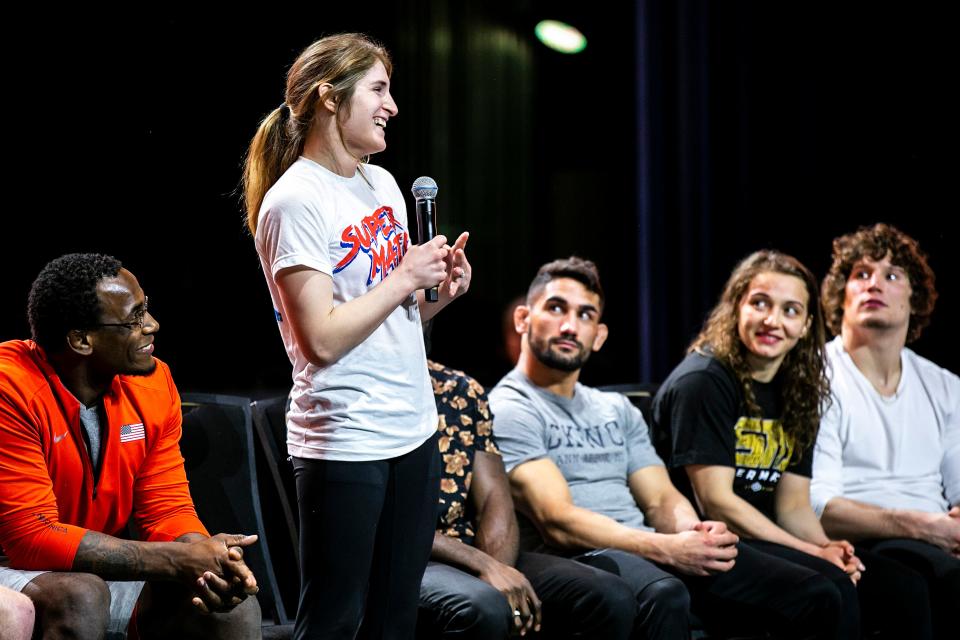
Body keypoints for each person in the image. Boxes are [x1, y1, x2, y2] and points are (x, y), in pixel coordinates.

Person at [243, 33, 471, 639]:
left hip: (412, 427)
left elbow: (393, 321)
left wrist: (436, 296)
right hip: (345, 440)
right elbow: (320, 339)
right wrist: (403, 278)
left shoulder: (383, 185)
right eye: (378, 89)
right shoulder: (294, 201)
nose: (392, 104)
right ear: (328, 98)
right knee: (334, 620)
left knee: (396, 617)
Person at [490, 256, 846, 640]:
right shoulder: (510, 407)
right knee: (666, 594)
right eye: (556, 308)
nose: (568, 326)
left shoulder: (616, 409)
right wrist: (668, 547)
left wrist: (691, 531)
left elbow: (661, 498)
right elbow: (559, 520)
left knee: (818, 591)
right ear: (523, 319)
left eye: (585, 315)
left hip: (650, 544)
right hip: (582, 556)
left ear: (600, 334)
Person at [653, 250, 932, 639]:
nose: (773, 321)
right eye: (760, 303)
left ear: (805, 325)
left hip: (766, 536)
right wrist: (814, 555)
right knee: (825, 591)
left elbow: (794, 504)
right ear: (736, 309)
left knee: (905, 588)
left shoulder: (800, 389)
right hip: (710, 544)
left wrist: (830, 547)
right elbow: (717, 502)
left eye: (790, 310)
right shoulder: (702, 380)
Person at [0, 253, 261, 640]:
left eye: (147, 311)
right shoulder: (11, 386)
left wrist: (205, 557)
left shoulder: (154, 384)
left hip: (93, 569)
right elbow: (30, 538)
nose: (152, 326)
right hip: (12, 567)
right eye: (134, 318)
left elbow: (167, 508)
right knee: (82, 596)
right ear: (81, 339)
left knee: (228, 604)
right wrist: (176, 559)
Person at [811, 223, 960, 639]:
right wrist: (924, 526)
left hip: (935, 536)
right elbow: (819, 505)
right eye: (861, 274)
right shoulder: (815, 378)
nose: (874, 283)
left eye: (892, 275)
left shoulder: (944, 385)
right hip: (855, 540)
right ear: (841, 294)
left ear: (916, 298)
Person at [418, 360, 636, 639]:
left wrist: (500, 571)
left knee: (608, 595)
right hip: (408, 556)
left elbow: (493, 500)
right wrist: (484, 566)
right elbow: (385, 521)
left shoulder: (461, 389)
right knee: (483, 605)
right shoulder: (360, 384)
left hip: (471, 548)